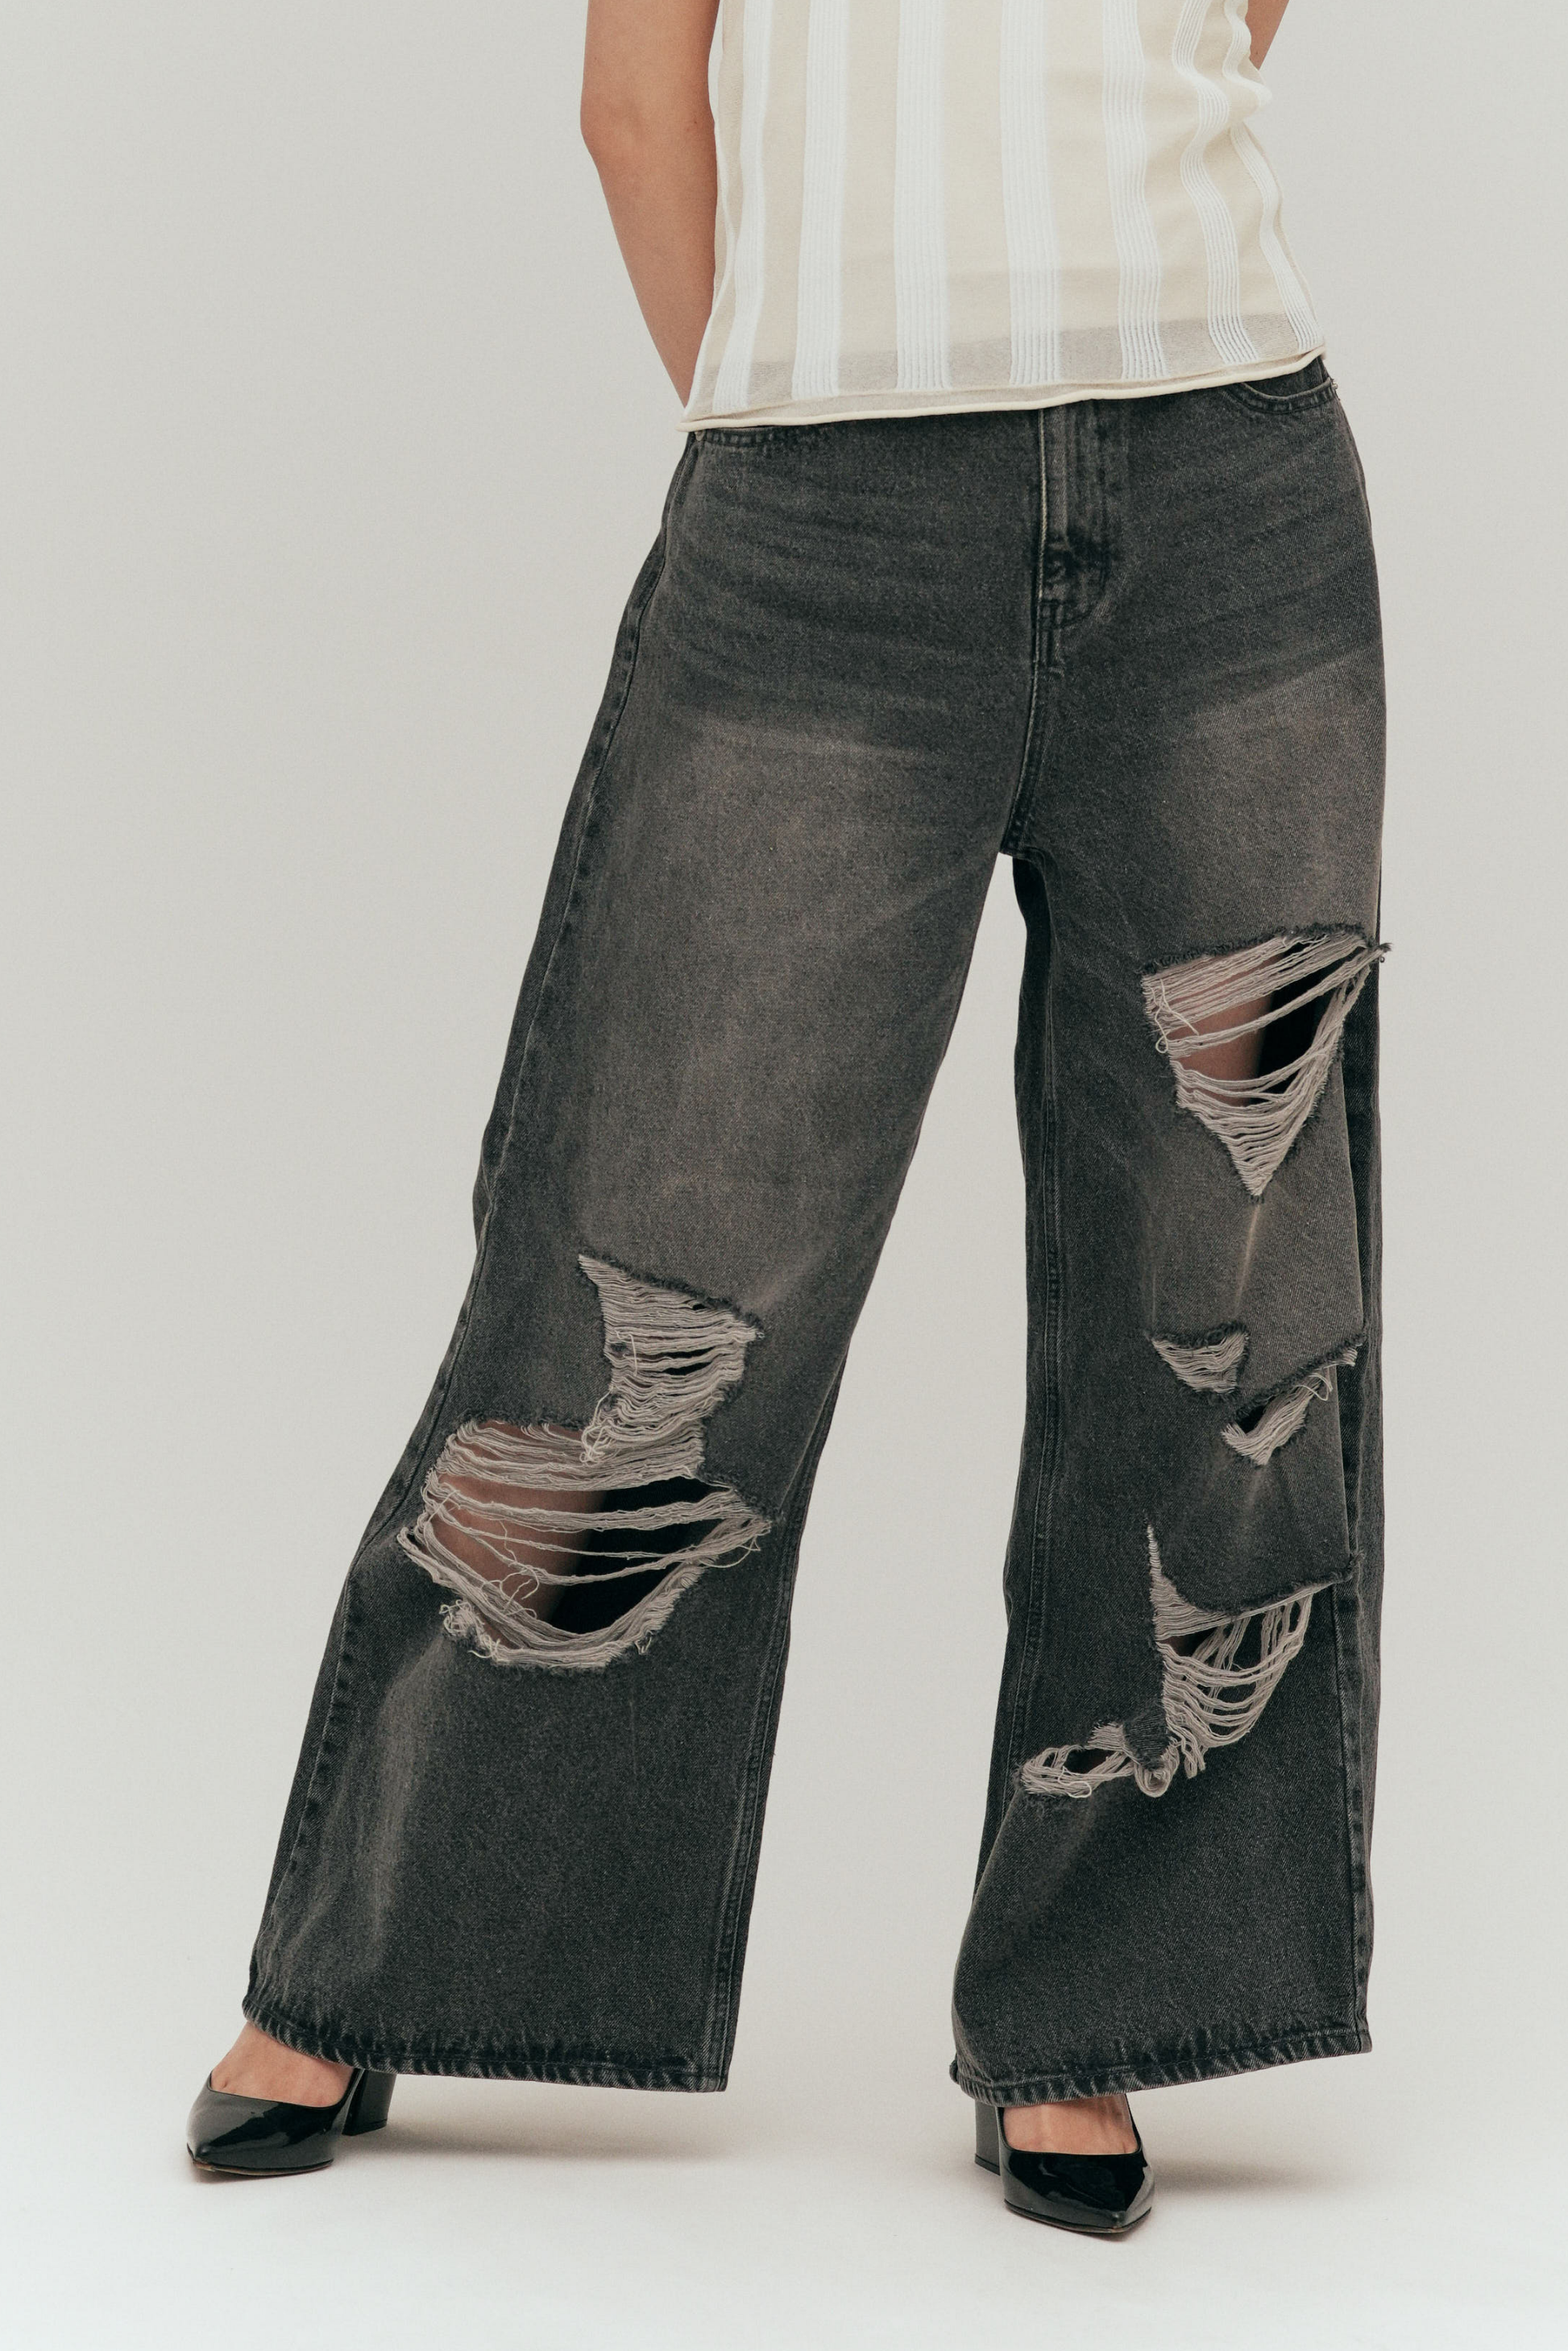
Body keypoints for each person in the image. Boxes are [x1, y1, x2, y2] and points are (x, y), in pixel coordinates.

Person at [188, 0, 1385, 2237]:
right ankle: (381, 1959)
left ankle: (1096, 2010)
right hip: (824, 502)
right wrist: (784, 409)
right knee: (656, 1240)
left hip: (1229, 478)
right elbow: (631, 105)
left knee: (1223, 1288)